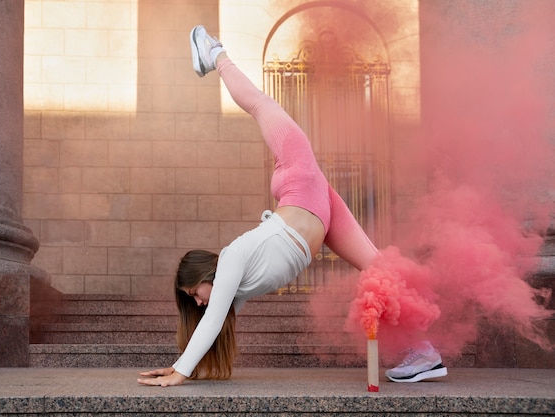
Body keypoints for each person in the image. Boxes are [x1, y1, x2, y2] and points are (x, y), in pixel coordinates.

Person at [137, 25, 447, 387]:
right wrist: (181, 366)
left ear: (205, 275)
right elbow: (215, 321)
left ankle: (213, 52)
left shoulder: (233, 258)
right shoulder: (234, 289)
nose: (200, 302)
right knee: (376, 267)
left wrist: (180, 371)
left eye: (195, 294)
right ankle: (425, 352)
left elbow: (212, 317)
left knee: (259, 104)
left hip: (300, 182)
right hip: (316, 207)